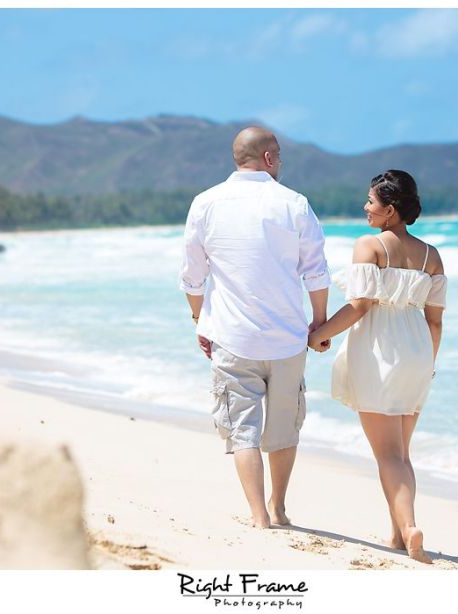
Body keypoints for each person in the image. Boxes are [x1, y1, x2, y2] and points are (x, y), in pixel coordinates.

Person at [179, 126, 331, 529]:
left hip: (232, 337)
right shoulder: (294, 203)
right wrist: (319, 323)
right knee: (284, 427)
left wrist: (200, 320)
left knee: (241, 429)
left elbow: (193, 276)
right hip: (287, 340)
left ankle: (258, 515)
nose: (280, 162)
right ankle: (279, 507)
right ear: (267, 158)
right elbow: (316, 273)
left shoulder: (206, 203)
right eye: (278, 155)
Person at [307, 170, 446, 564]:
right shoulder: (430, 256)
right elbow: (435, 321)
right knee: (401, 452)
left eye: (371, 202)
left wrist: (317, 335)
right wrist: (429, 364)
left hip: (380, 352)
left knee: (388, 454)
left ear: (389, 210)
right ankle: (398, 534)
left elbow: (361, 305)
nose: (365, 208)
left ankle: (410, 527)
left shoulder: (369, 246)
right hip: (418, 353)